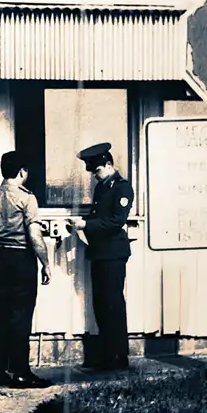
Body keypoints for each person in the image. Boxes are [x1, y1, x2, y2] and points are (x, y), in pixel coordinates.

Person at [0, 151, 53, 389]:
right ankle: (20, 373)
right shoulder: (27, 198)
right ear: (22, 172)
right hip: (21, 260)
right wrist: (46, 263)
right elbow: (35, 235)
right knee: (20, 317)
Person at [70, 142, 134, 371]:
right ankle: (107, 354)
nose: (94, 175)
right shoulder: (102, 187)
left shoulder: (122, 188)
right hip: (99, 253)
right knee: (101, 304)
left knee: (113, 304)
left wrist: (86, 224)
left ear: (108, 165)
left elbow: (117, 221)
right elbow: (97, 217)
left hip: (113, 254)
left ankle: (118, 356)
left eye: (97, 170)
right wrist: (80, 224)